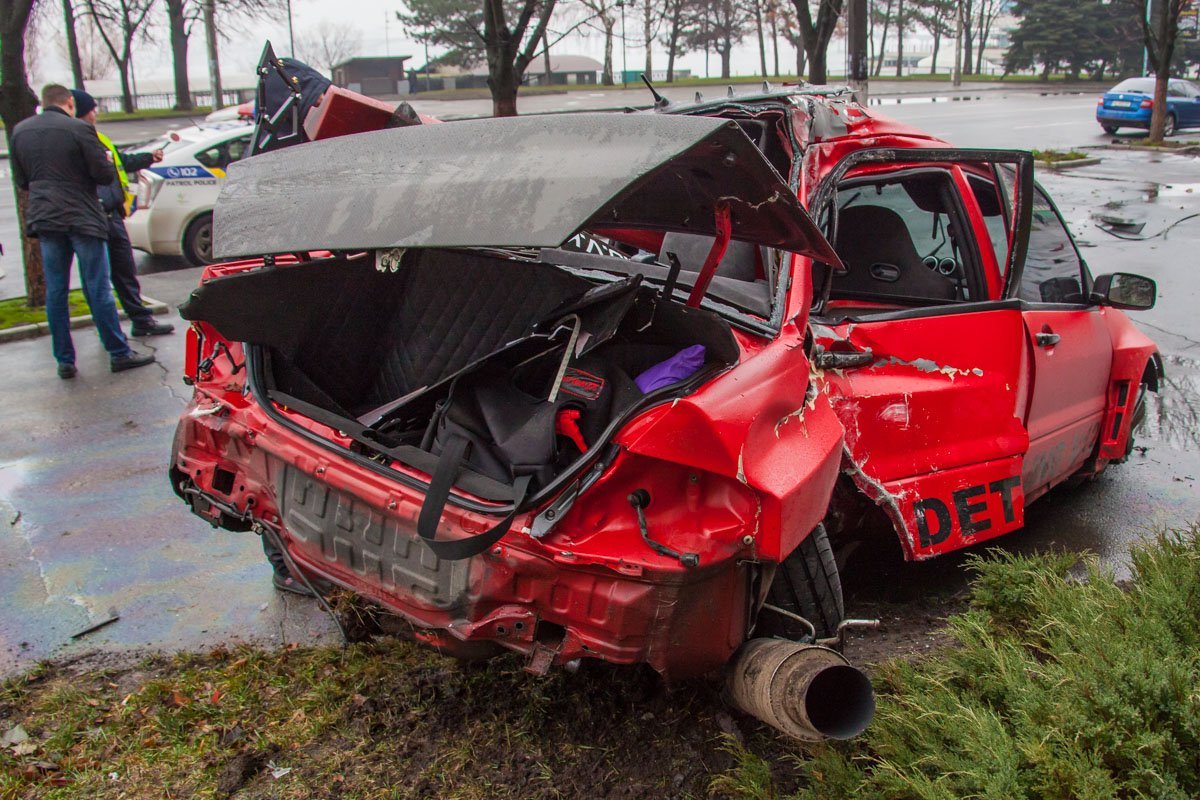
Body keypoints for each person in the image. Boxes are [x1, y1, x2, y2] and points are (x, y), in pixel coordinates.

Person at [10, 84, 155, 379]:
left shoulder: (20, 131)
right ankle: (119, 352)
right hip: (83, 217)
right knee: (97, 287)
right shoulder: (79, 130)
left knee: (56, 291)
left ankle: (65, 360)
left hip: (46, 219)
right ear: (69, 103)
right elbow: (103, 175)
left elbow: (22, 179)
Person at [70, 90, 174, 338]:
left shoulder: (99, 138)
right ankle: (110, 329)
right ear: (83, 110)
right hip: (95, 215)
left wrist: (149, 158)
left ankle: (141, 320)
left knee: (124, 271)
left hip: (112, 215)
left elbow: (121, 161)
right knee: (99, 278)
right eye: (93, 108)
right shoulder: (78, 139)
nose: (96, 113)